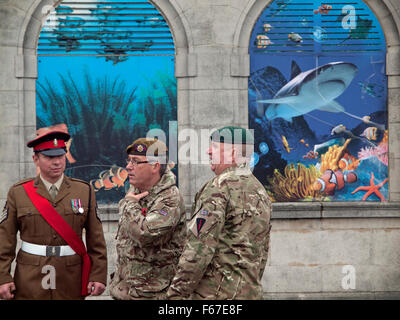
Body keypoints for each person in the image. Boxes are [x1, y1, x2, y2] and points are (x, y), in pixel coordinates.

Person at [166, 126, 272, 300]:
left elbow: (197, 249)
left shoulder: (218, 188)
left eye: (214, 147)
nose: (208, 151)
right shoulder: (261, 192)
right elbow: (262, 253)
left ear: (232, 154)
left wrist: (176, 295)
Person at [0, 131, 107, 300]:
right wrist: (2, 277)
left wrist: (98, 275)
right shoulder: (18, 192)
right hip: (30, 277)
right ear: (36, 159)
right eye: (49, 157)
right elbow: (5, 239)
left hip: (70, 276)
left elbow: (96, 238)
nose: (57, 162)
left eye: (61, 156)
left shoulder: (83, 190)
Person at [109, 137, 186, 300]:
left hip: (152, 295)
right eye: (129, 161)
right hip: (126, 292)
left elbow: (145, 234)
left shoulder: (169, 198)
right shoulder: (136, 192)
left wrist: (128, 205)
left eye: (136, 161)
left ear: (155, 166)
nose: (128, 167)